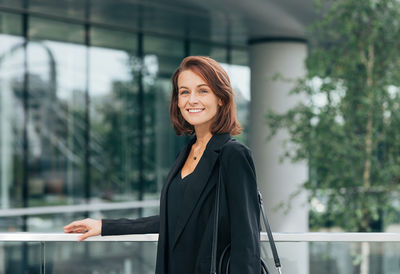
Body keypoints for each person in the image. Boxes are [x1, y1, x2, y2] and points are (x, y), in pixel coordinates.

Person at [64, 56, 261, 274]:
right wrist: (105, 226)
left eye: (202, 91)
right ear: (177, 101)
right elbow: (174, 220)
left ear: (221, 98)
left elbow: (247, 240)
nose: (192, 100)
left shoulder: (233, 154)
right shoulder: (185, 153)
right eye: (184, 92)